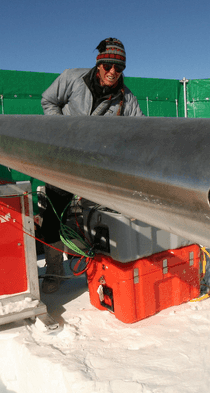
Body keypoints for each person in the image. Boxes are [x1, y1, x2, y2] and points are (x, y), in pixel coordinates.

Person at [39, 38, 145, 293]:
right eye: (108, 65)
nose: (112, 72)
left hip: (99, 169)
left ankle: (101, 270)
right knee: (53, 217)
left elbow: (139, 132)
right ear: (98, 65)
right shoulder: (72, 78)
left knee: (102, 220)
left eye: (118, 68)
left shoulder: (126, 100)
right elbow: (47, 101)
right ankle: (54, 271)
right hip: (63, 161)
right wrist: (63, 130)